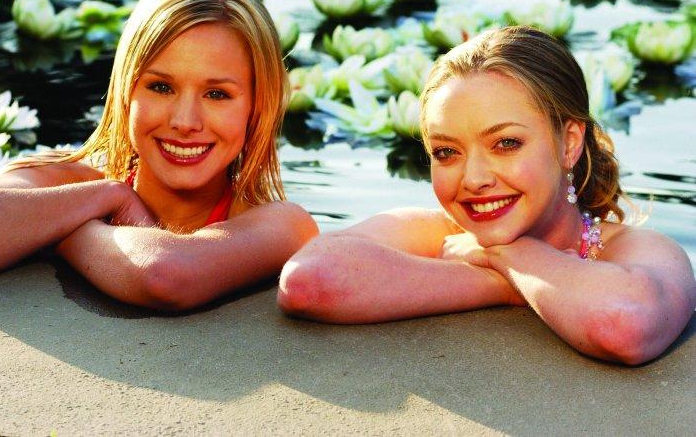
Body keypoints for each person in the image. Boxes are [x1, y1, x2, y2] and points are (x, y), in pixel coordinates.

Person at [278, 26, 695, 365]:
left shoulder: (633, 248)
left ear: (569, 143)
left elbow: (622, 325)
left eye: (506, 144)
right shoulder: (436, 232)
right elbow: (309, 280)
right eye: (447, 152)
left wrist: (514, 256)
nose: (474, 179)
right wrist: (507, 283)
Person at [0, 0, 317, 310]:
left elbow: (167, 274)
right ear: (126, 92)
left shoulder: (282, 224)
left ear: (257, 107)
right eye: (161, 87)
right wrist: (108, 195)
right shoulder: (77, 179)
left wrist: (59, 228)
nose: (184, 121)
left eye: (217, 94)